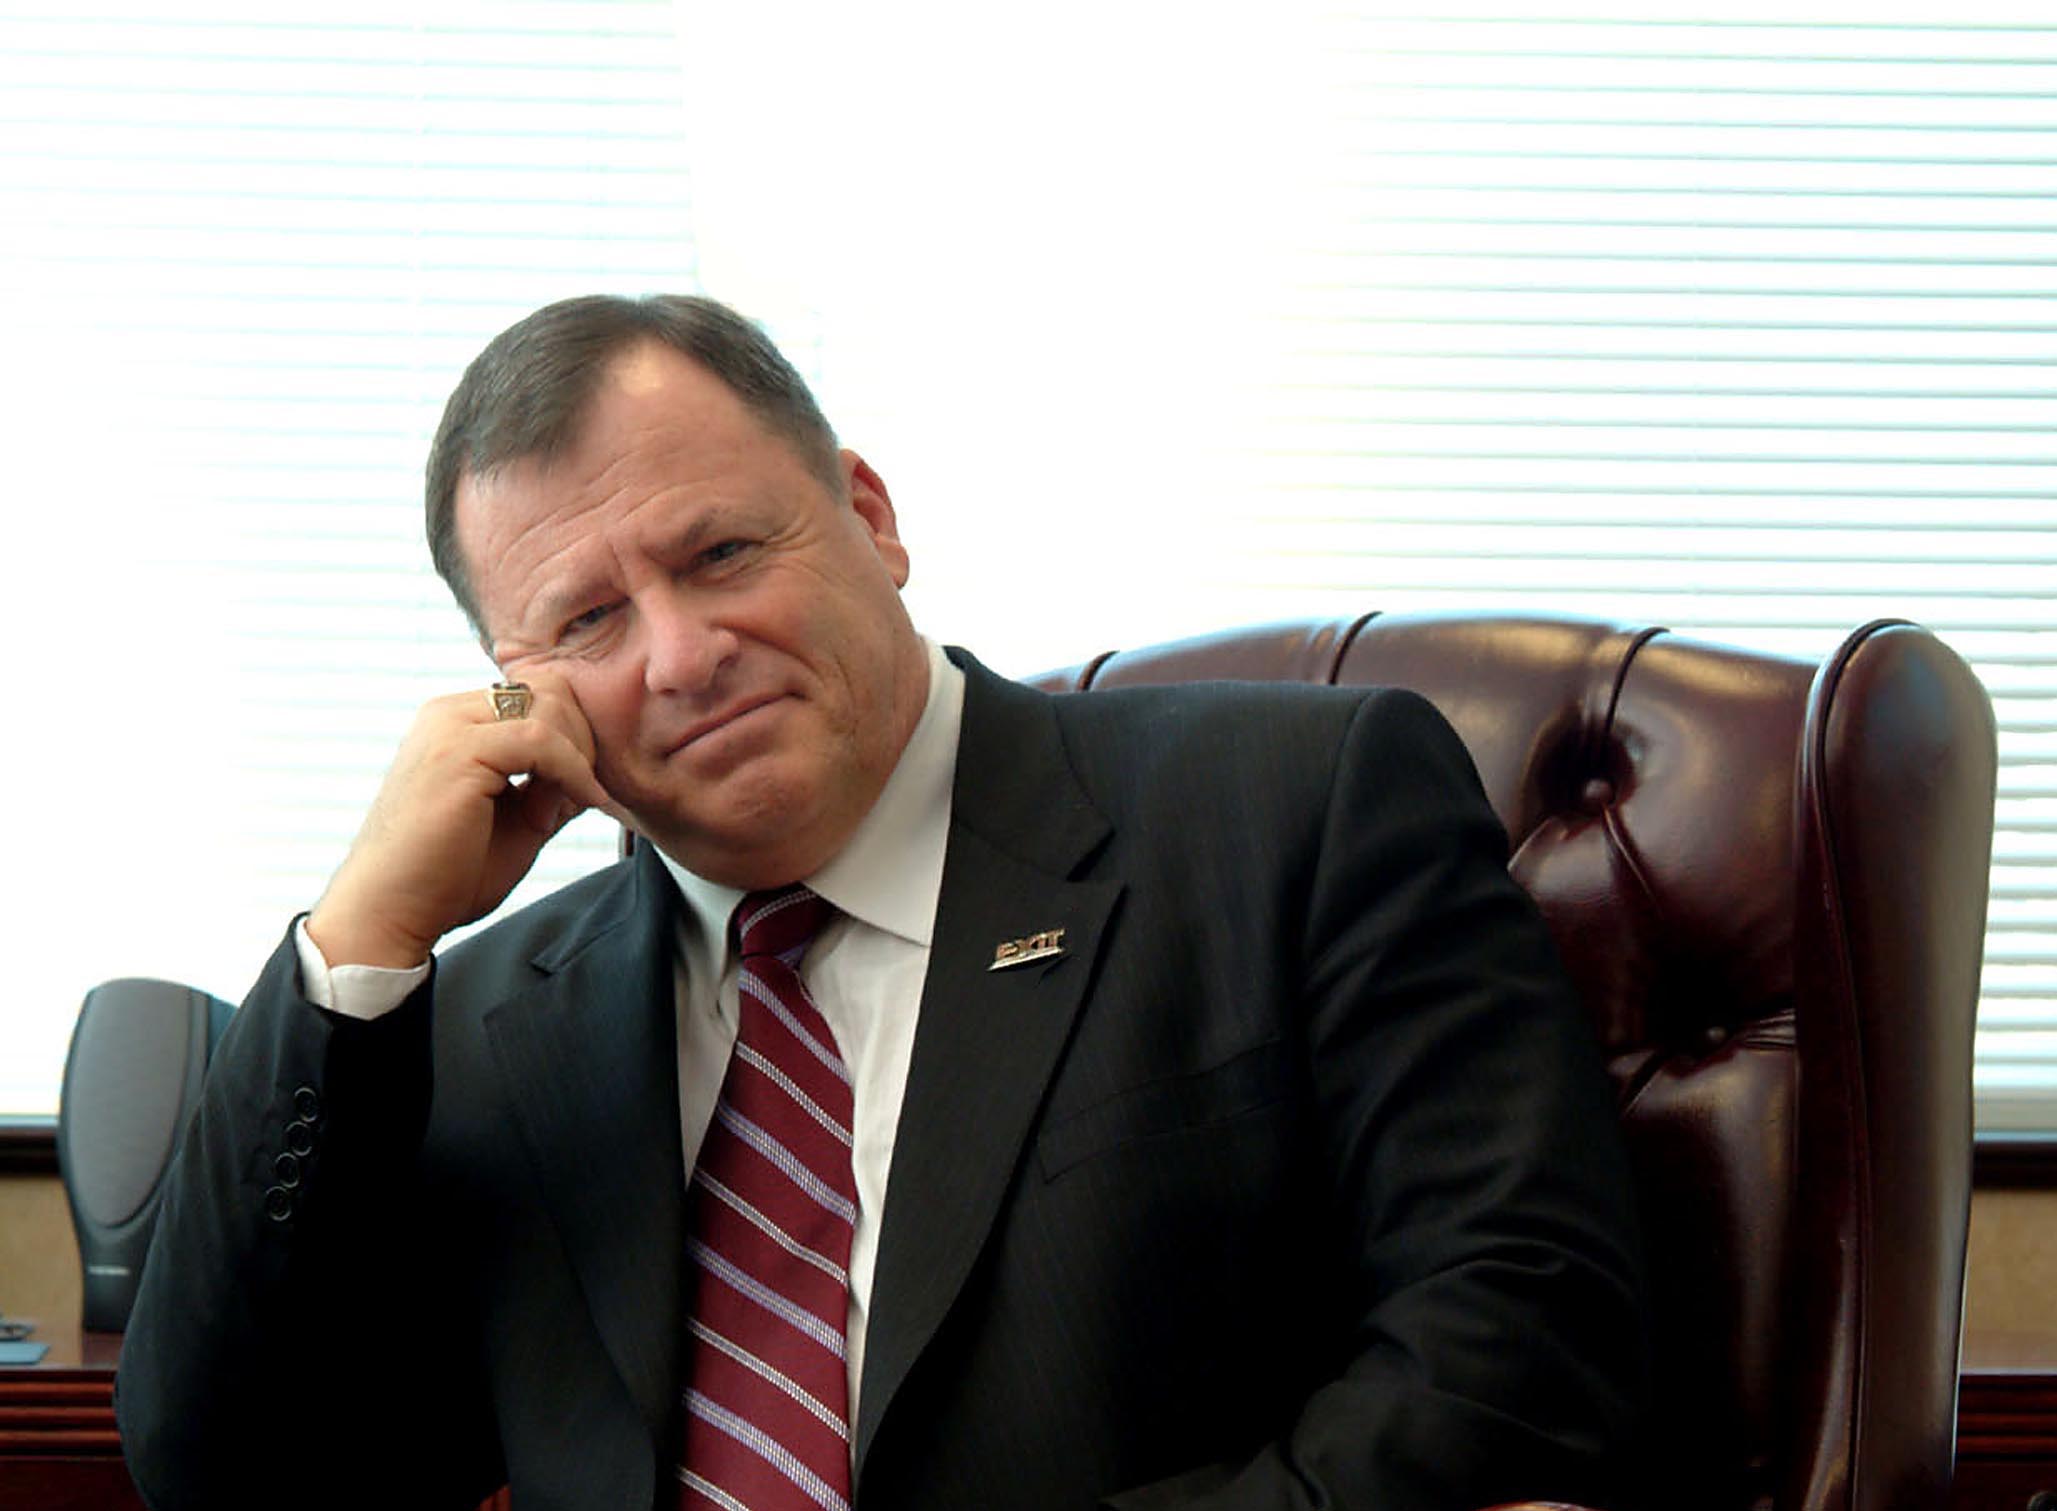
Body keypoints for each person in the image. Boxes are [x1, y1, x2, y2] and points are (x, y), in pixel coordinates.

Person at [116, 294, 1648, 1511]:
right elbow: (232, 1473)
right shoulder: (495, 1024)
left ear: (868, 514)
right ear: (516, 690)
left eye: (722, 552)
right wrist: (357, 951)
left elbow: (1517, 1338)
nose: (681, 655)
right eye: (587, 619)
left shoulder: (1294, 809)